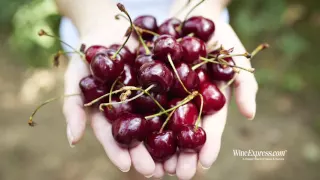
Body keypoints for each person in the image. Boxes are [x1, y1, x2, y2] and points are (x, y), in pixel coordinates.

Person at [55, 0, 258, 179]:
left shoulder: (182, 66)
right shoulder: (127, 70)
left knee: (191, 164)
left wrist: (207, 4)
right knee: (138, 165)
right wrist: (93, 18)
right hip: (99, 22)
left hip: (177, 27)